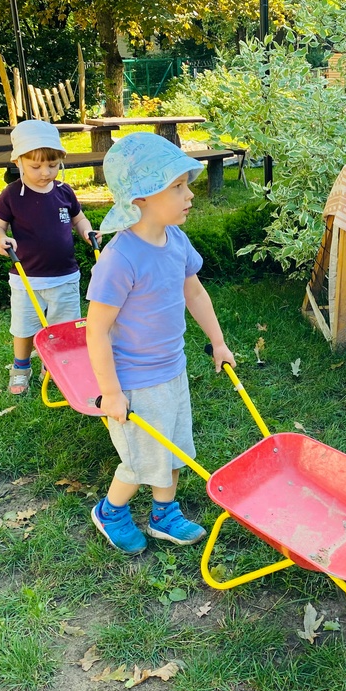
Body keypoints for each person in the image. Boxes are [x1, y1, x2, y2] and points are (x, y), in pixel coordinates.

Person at [86, 132, 236, 554]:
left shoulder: (176, 241)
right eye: (178, 187)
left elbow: (195, 293)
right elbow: (96, 330)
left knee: (173, 447)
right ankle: (111, 511)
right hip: (134, 380)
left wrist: (218, 342)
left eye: (187, 185)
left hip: (172, 368)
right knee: (140, 460)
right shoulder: (120, 259)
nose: (190, 194)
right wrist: (111, 392)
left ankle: (163, 514)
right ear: (141, 199)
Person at [0, 119, 96, 395]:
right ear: (18, 162)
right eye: (36, 166)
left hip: (65, 277)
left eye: (53, 165)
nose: (45, 172)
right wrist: (0, 239)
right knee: (23, 328)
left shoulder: (64, 191)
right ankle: (21, 368)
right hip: (27, 279)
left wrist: (87, 231)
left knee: (64, 327)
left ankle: (55, 365)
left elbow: (79, 219)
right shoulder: (12, 195)